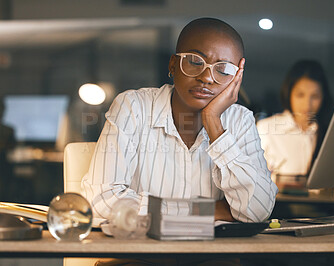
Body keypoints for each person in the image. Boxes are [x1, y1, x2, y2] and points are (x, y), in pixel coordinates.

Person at [81, 17, 278, 229]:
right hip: (141, 253)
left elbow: (258, 210)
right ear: (173, 65)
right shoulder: (133, 107)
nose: (207, 77)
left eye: (223, 70)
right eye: (195, 61)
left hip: (211, 255)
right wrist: (209, 211)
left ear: (236, 78)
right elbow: (101, 198)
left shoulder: (240, 120)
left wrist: (214, 125)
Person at [256, 60, 332, 179]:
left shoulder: (328, 134)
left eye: (315, 97)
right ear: (289, 93)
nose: (307, 105)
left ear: (324, 97)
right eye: (300, 95)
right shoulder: (266, 129)